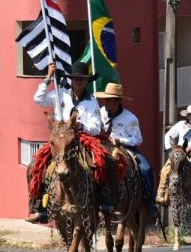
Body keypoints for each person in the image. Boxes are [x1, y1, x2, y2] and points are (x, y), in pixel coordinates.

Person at [26, 61, 107, 223]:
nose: (78, 81)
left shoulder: (92, 101)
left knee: (102, 162)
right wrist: (48, 77)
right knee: (34, 165)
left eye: (82, 78)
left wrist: (81, 125)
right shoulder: (60, 93)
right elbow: (38, 99)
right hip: (59, 138)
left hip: (81, 138)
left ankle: (102, 203)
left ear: (87, 81)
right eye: (75, 78)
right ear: (71, 79)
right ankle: (38, 209)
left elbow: (96, 127)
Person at [94, 82, 158, 220]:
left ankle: (151, 203)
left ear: (117, 101)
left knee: (146, 169)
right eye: (105, 99)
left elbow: (138, 139)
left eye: (109, 100)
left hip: (127, 148)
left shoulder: (131, 118)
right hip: (105, 146)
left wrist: (120, 140)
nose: (105, 102)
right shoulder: (101, 112)